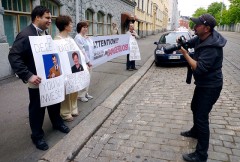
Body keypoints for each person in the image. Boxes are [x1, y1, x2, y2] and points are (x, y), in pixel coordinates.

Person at [8, 6, 70, 151]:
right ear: (37, 17)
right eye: (47, 18)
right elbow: (14, 57)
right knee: (37, 109)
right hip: (36, 80)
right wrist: (28, 75)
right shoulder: (25, 34)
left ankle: (57, 123)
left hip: (50, 78)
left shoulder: (43, 34)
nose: (50, 20)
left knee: (54, 102)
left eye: (50, 18)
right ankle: (37, 136)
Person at [178, 13, 227, 162]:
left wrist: (186, 55)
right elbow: (191, 43)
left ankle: (201, 155)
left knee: (201, 117)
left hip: (211, 86)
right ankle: (195, 132)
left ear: (207, 28)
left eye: (198, 24)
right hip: (203, 84)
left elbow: (199, 69)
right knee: (194, 107)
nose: (194, 26)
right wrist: (183, 43)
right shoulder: (201, 37)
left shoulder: (212, 47)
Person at [54, 15, 79, 122]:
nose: (72, 25)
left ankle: (73, 107)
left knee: (74, 88)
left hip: (73, 68)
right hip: (64, 70)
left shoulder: (70, 39)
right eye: (70, 23)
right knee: (66, 91)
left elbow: (76, 52)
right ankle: (65, 112)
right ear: (65, 26)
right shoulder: (57, 40)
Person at [74, 21, 93, 102]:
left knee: (88, 78)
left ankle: (85, 93)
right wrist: (88, 62)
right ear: (79, 28)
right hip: (83, 62)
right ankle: (81, 95)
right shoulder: (78, 38)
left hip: (89, 60)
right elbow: (82, 51)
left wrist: (88, 39)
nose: (85, 29)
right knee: (84, 78)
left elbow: (91, 47)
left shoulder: (85, 37)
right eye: (83, 27)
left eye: (86, 27)